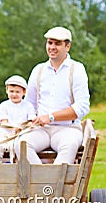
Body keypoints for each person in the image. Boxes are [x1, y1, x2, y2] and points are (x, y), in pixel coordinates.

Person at [14, 26, 90, 164]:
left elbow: (82, 106)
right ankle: (42, 183)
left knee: (69, 146)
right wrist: (32, 118)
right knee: (21, 144)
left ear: (68, 46)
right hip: (41, 129)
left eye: (57, 43)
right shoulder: (38, 70)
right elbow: (29, 102)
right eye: (50, 43)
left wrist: (50, 117)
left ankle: (51, 185)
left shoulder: (77, 69)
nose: (52, 47)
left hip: (68, 129)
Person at [0, 75, 36, 163]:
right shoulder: (4, 105)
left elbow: (31, 122)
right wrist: (13, 128)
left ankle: (19, 169)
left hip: (22, 134)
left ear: (24, 92)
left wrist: (23, 128)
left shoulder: (28, 106)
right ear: (7, 91)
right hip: (5, 133)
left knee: (21, 148)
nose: (14, 94)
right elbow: (4, 122)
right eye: (11, 91)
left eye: (17, 92)